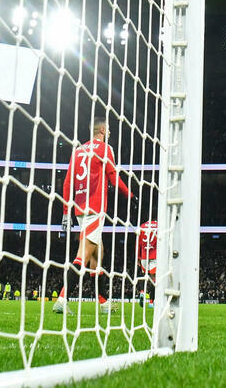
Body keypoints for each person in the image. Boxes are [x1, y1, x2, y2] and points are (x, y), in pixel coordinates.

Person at [55, 117, 132, 316]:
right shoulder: (105, 149)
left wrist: (66, 213)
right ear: (103, 130)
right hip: (95, 209)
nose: (110, 133)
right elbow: (114, 179)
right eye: (109, 130)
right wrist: (130, 195)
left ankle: (103, 301)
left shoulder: (78, 150)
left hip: (80, 209)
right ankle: (62, 299)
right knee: (83, 256)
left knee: (98, 254)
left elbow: (66, 183)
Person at [137, 219, 158, 306]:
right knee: (154, 279)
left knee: (143, 275)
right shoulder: (159, 226)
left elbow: (138, 244)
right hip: (155, 255)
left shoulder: (142, 226)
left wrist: (138, 257)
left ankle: (142, 292)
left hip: (144, 255)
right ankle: (151, 301)